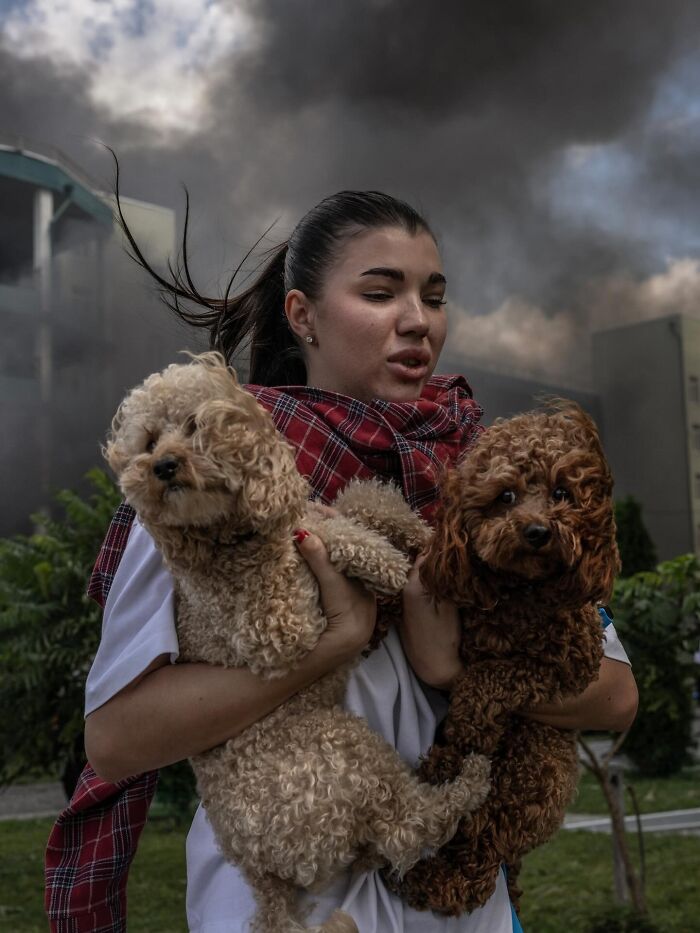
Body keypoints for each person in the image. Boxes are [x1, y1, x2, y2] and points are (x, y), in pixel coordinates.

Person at [48, 190, 638, 933]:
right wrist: (328, 647)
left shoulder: (490, 479)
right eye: (380, 291)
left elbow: (615, 694)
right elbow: (117, 737)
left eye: (434, 295)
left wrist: (453, 670)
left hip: (454, 901)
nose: (418, 319)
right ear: (302, 316)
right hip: (290, 900)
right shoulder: (214, 471)